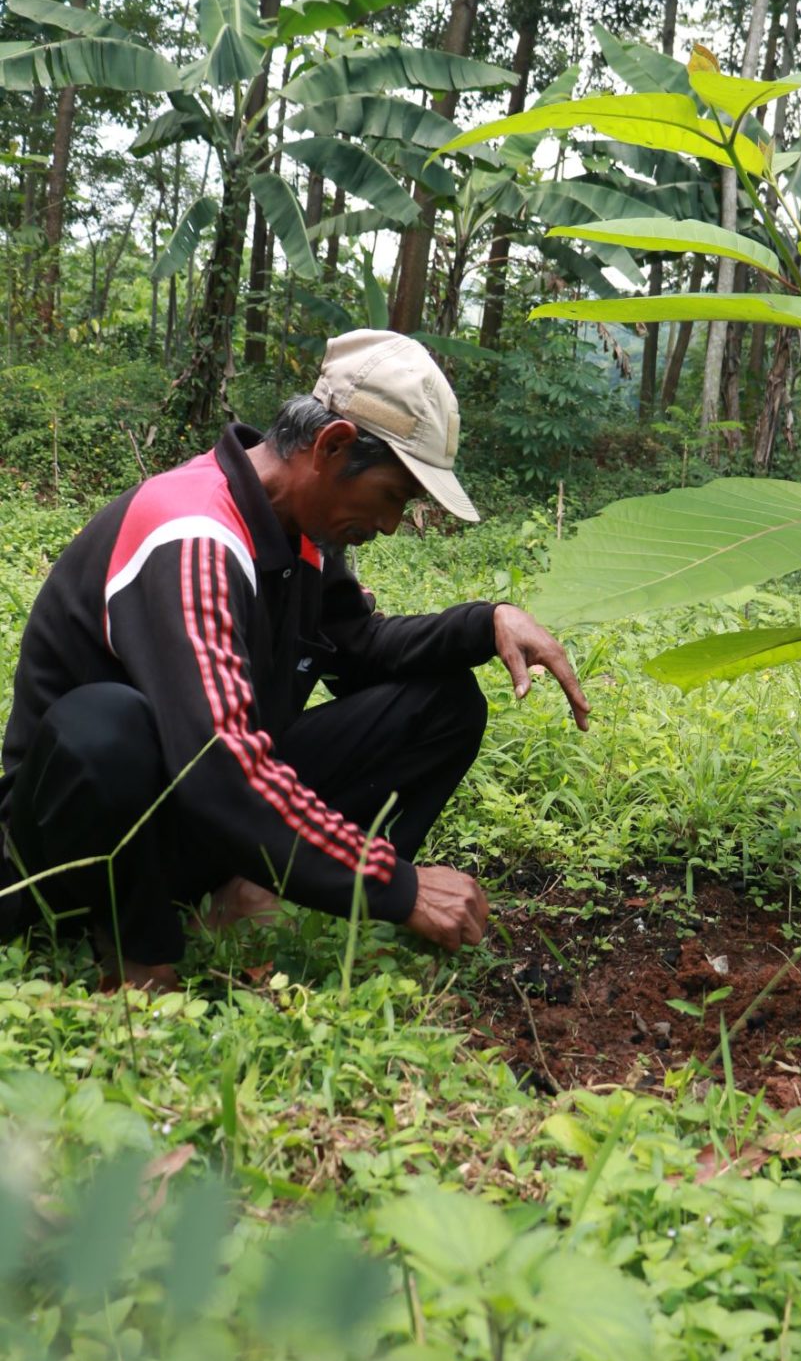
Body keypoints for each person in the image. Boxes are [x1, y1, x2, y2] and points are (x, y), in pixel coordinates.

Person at [0, 328, 589, 988]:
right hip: (77, 848)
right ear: (333, 446)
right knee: (104, 726)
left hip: (196, 816)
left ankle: (242, 898)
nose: (392, 525)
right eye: (394, 495)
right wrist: (396, 885)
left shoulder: (296, 539)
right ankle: (136, 957)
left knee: (442, 704)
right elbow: (217, 762)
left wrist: (485, 623)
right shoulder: (192, 534)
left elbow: (360, 650)